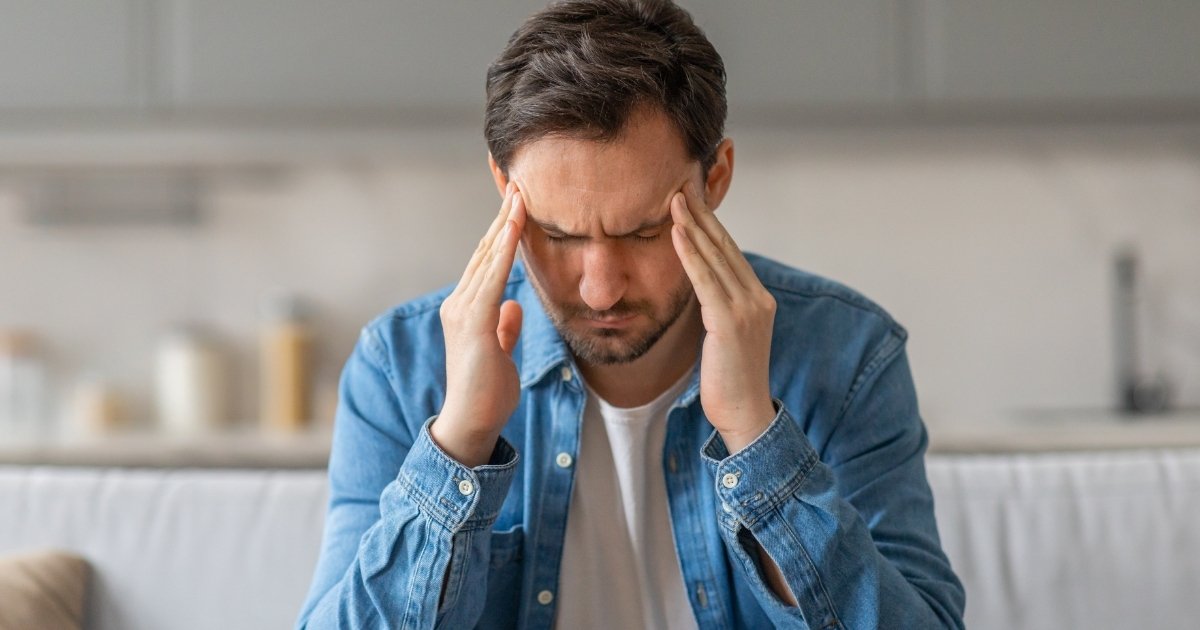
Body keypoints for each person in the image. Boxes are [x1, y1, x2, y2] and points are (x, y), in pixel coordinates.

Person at [296, 1, 965, 628]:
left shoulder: (847, 354)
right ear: (507, 190)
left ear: (717, 177)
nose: (600, 290)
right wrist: (461, 440)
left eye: (645, 232)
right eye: (558, 236)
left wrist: (756, 439)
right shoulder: (400, 369)